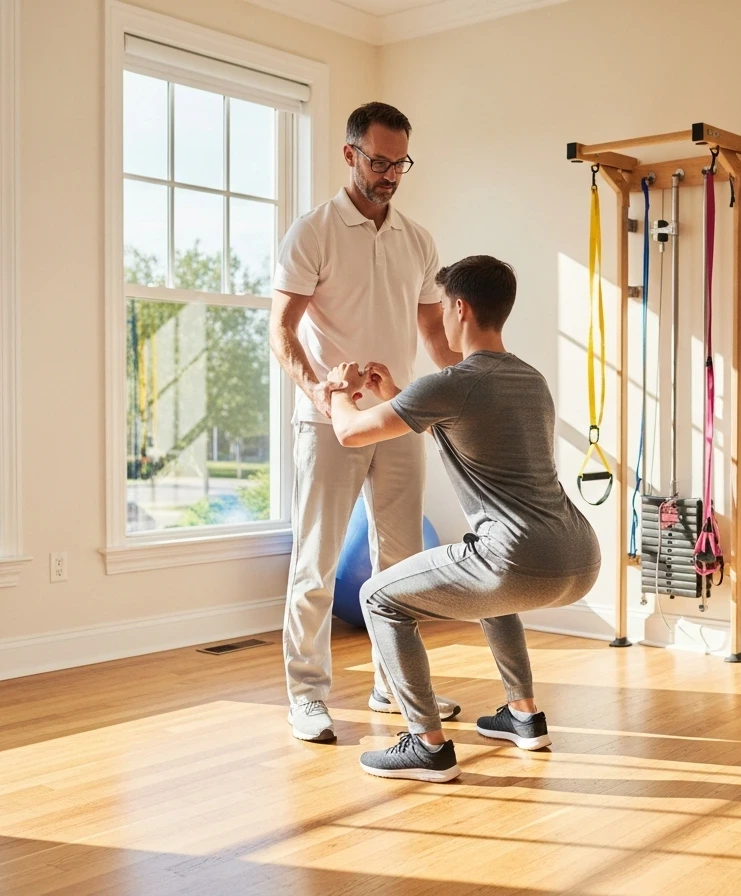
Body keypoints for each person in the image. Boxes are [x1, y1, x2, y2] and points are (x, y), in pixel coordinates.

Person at [326, 255, 602, 782]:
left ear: (459, 308)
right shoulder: (531, 379)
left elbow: (350, 433)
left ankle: (426, 744)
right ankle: (524, 716)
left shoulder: (453, 381)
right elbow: (467, 435)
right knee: (493, 597)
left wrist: (340, 390)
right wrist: (396, 396)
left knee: (376, 598)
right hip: (578, 556)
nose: (439, 323)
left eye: (442, 311)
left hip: (514, 557)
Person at [271, 102, 462, 744]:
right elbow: (280, 331)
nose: (389, 175)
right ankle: (307, 694)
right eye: (378, 161)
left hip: (397, 418)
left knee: (401, 561)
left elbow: (434, 332)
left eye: (399, 163)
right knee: (317, 561)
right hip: (330, 421)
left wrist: (468, 387)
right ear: (350, 153)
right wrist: (324, 399)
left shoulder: (417, 239)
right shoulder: (314, 232)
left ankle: (393, 685)